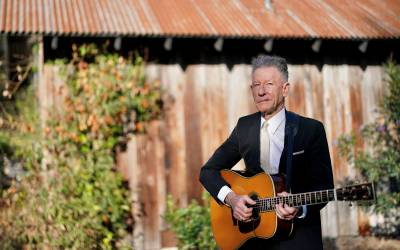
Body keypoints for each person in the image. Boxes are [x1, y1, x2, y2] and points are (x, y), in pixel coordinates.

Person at [199, 55, 334, 250]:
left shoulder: (310, 130)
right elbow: (208, 171)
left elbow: (324, 185)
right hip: (252, 239)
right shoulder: (244, 127)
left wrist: (300, 208)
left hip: (298, 239)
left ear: (285, 89)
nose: (261, 91)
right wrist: (232, 199)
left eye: (269, 84)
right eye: (256, 85)